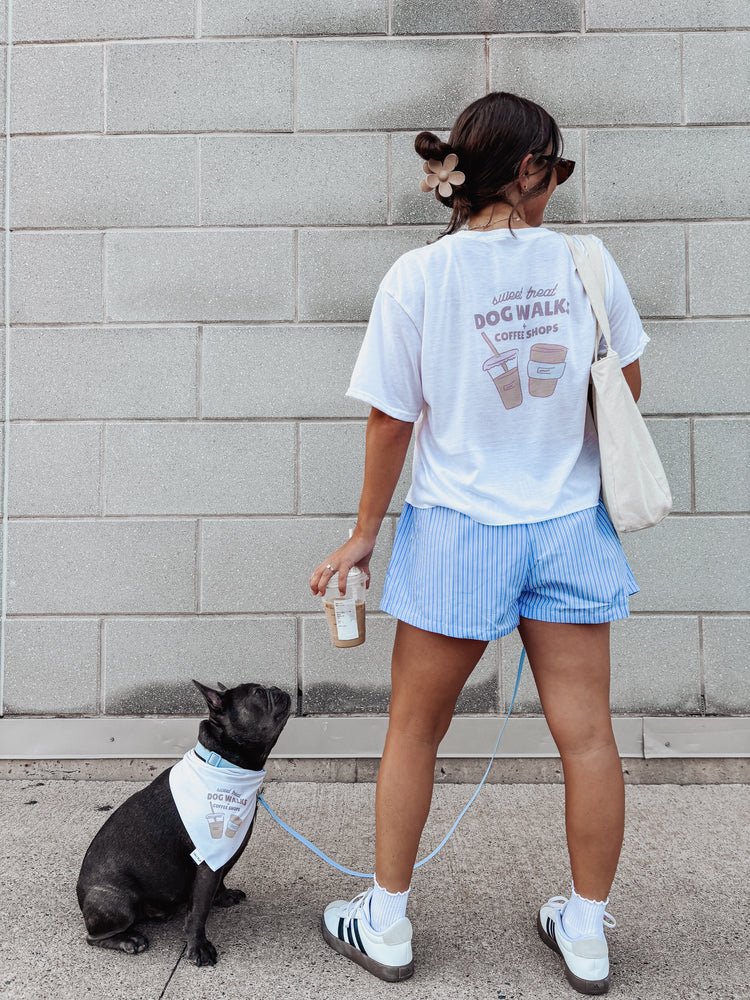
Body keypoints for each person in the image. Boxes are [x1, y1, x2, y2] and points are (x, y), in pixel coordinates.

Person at [309, 91, 647, 995]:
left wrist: (362, 536)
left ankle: (384, 925)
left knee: (414, 731)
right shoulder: (588, 264)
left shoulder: (418, 278)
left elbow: (390, 422)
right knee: (588, 738)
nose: (556, 190)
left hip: (461, 530)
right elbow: (627, 388)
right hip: (570, 527)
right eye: (555, 171)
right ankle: (585, 934)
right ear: (528, 168)